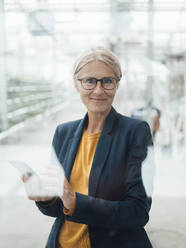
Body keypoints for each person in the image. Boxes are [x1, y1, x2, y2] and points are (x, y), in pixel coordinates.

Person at [24, 46, 153, 248]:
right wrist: (46, 199)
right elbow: (60, 209)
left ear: (117, 85)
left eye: (108, 81)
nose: (99, 90)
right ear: (77, 84)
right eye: (90, 81)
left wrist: (75, 201)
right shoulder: (63, 133)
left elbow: (138, 212)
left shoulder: (135, 132)